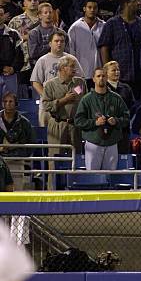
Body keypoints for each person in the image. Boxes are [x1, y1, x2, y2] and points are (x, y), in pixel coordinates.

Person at [42, 57, 87, 189]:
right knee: (55, 159)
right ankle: (52, 190)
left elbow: (84, 100)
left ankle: (76, 188)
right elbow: (46, 105)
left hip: (75, 126)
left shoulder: (79, 83)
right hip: (57, 124)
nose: (75, 69)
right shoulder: (50, 85)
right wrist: (63, 100)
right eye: (72, 67)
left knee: (76, 158)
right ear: (62, 68)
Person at [75, 67, 130, 171]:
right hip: (93, 142)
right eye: (98, 76)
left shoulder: (116, 98)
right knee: (92, 176)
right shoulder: (86, 99)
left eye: (104, 76)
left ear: (107, 77)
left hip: (112, 142)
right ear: (93, 79)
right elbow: (78, 121)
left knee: (111, 176)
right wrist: (95, 122)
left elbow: (127, 118)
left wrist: (116, 121)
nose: (101, 78)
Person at [98, 0, 141, 93]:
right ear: (126, 4)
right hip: (119, 75)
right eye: (135, 1)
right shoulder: (111, 23)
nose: (139, 4)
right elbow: (104, 47)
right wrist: (107, 70)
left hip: (140, 75)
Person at [30, 30, 84, 126]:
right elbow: (36, 82)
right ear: (50, 43)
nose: (59, 43)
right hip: (48, 108)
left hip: (69, 108)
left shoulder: (72, 60)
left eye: (62, 41)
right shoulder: (42, 60)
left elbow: (81, 82)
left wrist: (75, 94)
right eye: (56, 41)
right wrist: (48, 97)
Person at [0, 92, 33, 190]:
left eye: (11, 101)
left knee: (17, 190)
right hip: (0, 162)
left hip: (17, 160)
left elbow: (31, 142)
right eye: (5, 101)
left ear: (16, 103)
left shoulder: (24, 122)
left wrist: (19, 151)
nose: (8, 104)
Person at [68, 0, 105, 84]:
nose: (92, 10)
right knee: (78, 94)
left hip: (99, 74)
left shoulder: (104, 26)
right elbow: (71, 51)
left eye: (95, 8)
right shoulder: (75, 27)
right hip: (80, 74)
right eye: (89, 7)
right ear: (84, 9)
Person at [28, 2, 69, 67]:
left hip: (59, 67)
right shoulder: (34, 33)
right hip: (40, 67)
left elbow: (67, 52)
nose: (48, 15)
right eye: (45, 13)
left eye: (50, 12)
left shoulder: (62, 33)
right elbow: (33, 54)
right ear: (39, 15)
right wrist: (52, 46)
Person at [0, 6, 23, 101]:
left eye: (1, 14)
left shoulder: (14, 34)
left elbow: (20, 55)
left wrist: (13, 68)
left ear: (5, 16)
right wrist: (2, 68)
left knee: (11, 103)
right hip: (4, 70)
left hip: (11, 75)